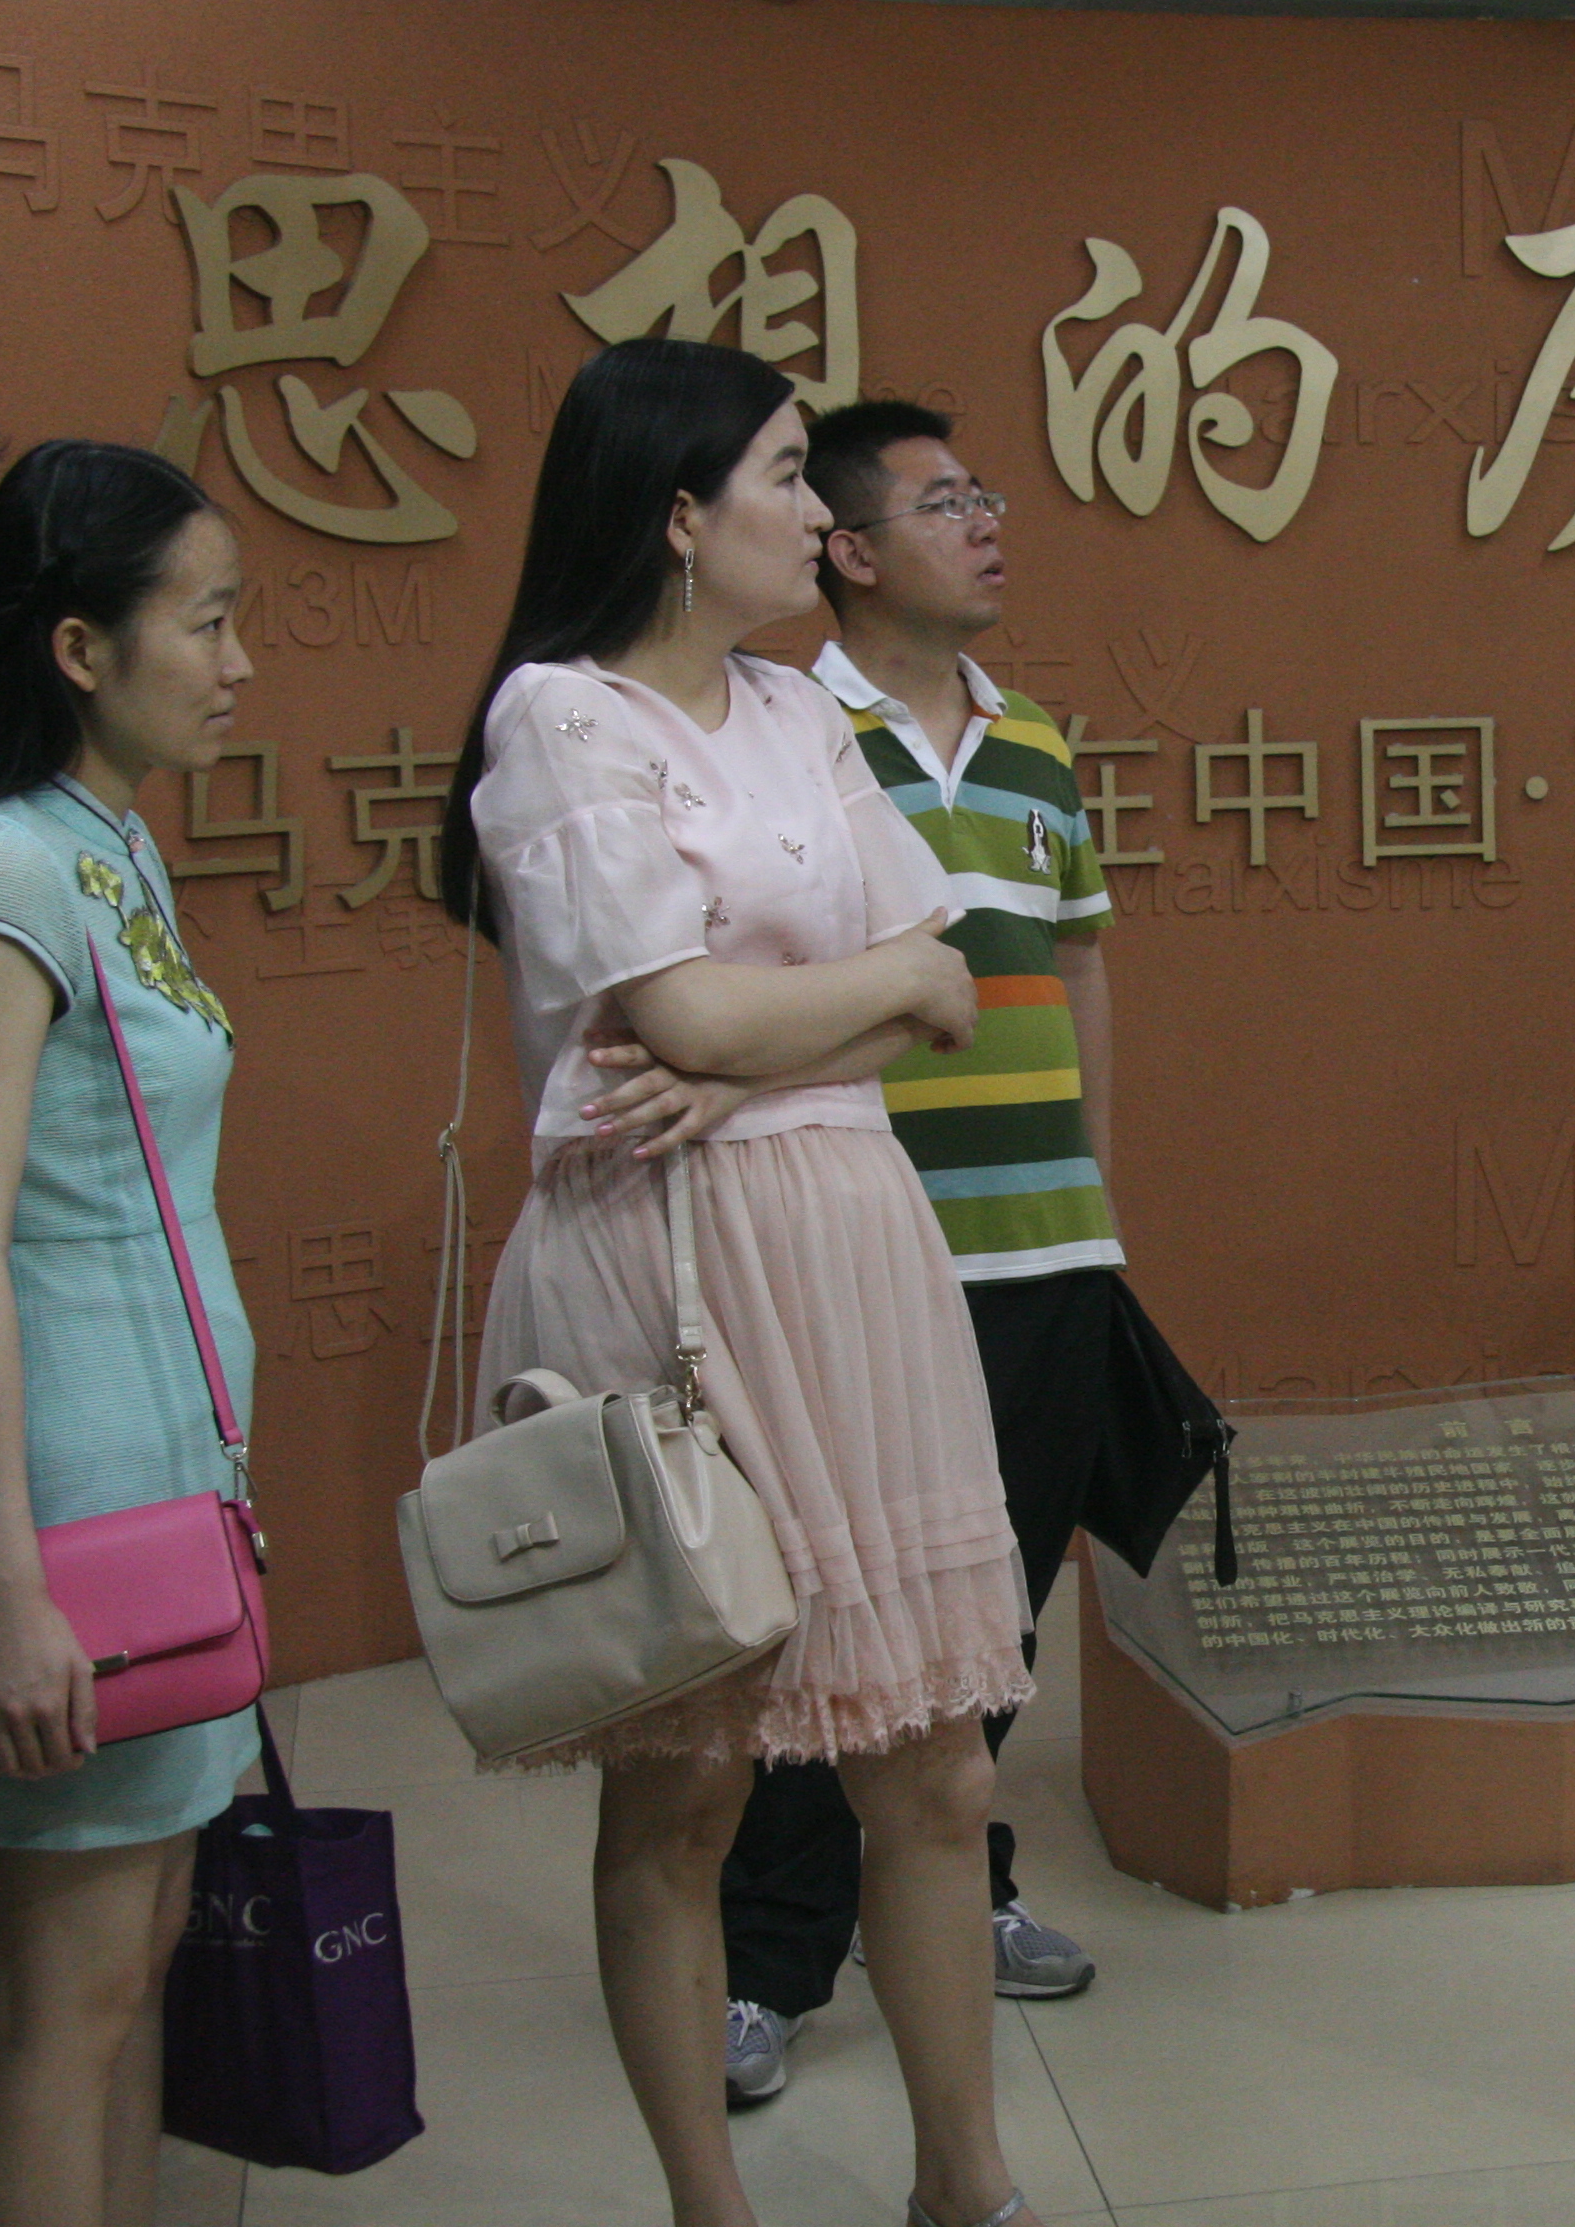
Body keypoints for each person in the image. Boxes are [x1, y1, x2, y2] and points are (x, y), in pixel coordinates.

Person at [440, 336, 1044, 2227]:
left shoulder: (798, 708)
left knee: (935, 1768)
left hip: (850, 1244)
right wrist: (785, 1020)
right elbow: (698, 1012)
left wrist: (745, 1048)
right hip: (670, 1266)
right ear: (681, 515)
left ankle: (967, 2187)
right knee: (686, 1784)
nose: (815, 511)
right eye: (785, 475)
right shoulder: (561, 716)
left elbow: (946, 984)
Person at [716, 399, 1113, 2106]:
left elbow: (1079, 967)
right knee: (841, 1624)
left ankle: (958, 1881)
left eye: (986, 495)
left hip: (1047, 1247)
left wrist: (1096, 1193)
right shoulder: (787, 734)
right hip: (867, 1250)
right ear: (852, 552)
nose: (988, 523)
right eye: (945, 503)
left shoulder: (1035, 744)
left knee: (990, 1620)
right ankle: (768, 1960)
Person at [0, 439, 261, 2227]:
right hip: (72, 1495)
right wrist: (2, 1587)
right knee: (67, 1996)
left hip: (166, 1466)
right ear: (78, 649)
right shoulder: (7, 873)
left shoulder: (110, 848)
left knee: (138, 1958)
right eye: (207, 622)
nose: (237, 662)